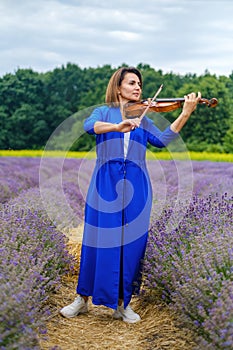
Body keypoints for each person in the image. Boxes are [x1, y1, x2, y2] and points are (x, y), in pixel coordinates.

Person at [60, 66, 201, 323]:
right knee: (96, 239)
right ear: (118, 87)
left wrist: (185, 113)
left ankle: (123, 304)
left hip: (137, 184)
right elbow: (89, 126)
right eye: (132, 83)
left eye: (139, 84)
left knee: (133, 244)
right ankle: (82, 299)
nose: (138, 88)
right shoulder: (104, 112)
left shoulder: (144, 118)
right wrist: (118, 126)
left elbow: (162, 140)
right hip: (105, 183)